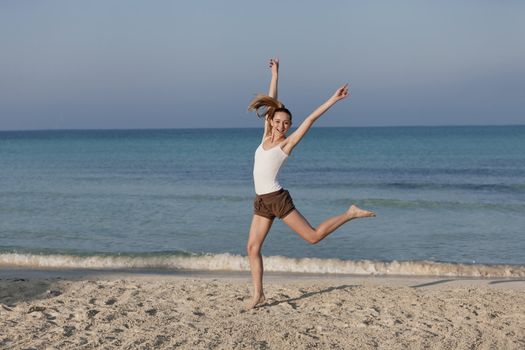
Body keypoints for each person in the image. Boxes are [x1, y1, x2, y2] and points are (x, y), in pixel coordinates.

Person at [245, 59, 375, 309]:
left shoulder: (287, 143)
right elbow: (272, 100)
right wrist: (275, 74)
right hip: (261, 201)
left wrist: (332, 99)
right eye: (279, 121)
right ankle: (259, 295)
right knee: (252, 248)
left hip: (277, 199)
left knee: (313, 237)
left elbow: (311, 119)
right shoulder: (265, 136)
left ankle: (350, 213)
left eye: (287, 123)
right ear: (272, 121)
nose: (282, 126)